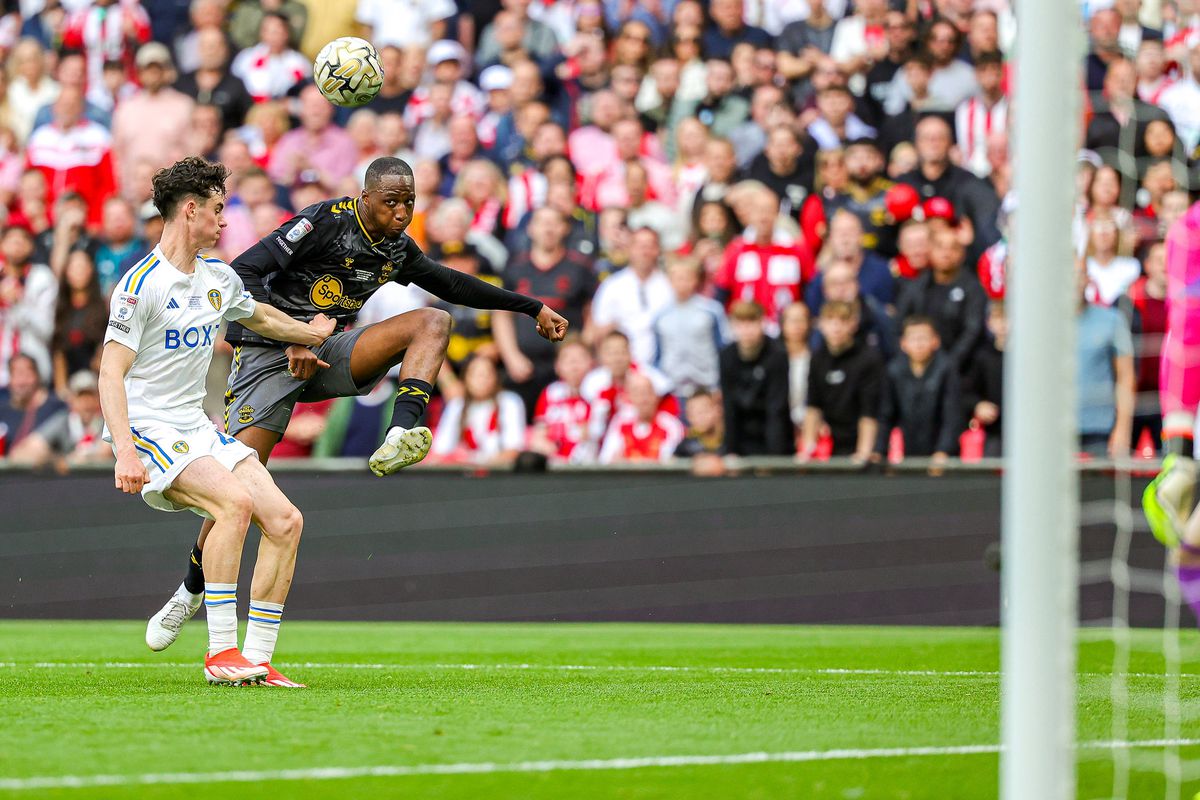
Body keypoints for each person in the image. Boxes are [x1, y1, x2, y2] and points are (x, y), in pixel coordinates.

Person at [146, 157, 568, 652]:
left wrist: (530, 306)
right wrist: (293, 338)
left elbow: (452, 284)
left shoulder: (395, 249)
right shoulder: (323, 222)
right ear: (365, 198)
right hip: (267, 354)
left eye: (409, 202)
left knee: (433, 323)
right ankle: (190, 589)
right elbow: (243, 273)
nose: (401, 212)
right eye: (391, 202)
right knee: (238, 488)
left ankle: (402, 431)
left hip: (326, 352)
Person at [98, 156, 337, 687]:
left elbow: (259, 316)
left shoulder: (219, 278)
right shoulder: (140, 286)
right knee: (234, 504)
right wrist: (123, 449)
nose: (224, 221)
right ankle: (220, 652)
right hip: (151, 427)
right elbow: (110, 373)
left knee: (285, 520)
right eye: (217, 209)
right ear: (190, 211)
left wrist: (310, 333)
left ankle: (257, 658)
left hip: (197, 427)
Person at [874, 316, 962, 469]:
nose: (919, 344)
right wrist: (879, 451)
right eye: (913, 339)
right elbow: (886, 415)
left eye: (924, 338)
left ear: (936, 341)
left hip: (943, 456)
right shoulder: (894, 371)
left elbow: (952, 415)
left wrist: (943, 450)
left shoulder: (947, 369)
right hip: (910, 453)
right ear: (903, 343)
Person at [800, 300, 883, 462]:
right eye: (830, 321)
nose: (836, 328)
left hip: (860, 438)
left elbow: (869, 412)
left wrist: (863, 453)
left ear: (854, 324)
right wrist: (808, 449)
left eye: (843, 321)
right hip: (832, 440)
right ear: (821, 325)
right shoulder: (817, 358)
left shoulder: (869, 359)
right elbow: (813, 407)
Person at [719, 300, 792, 456]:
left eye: (752, 322)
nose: (746, 330)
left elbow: (777, 409)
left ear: (762, 323)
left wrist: (775, 457)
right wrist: (731, 450)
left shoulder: (777, 355)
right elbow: (729, 407)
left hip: (774, 435)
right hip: (743, 437)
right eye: (741, 324)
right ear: (733, 326)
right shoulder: (726, 356)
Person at [652, 256, 730, 396]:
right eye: (677, 278)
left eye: (686, 278)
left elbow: (722, 347)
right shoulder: (660, 316)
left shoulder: (711, 310)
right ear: (669, 280)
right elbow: (658, 353)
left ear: (695, 280)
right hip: (673, 387)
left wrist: (720, 383)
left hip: (707, 386)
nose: (682, 283)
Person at [430, 354, 527, 466]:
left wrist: (479, 463)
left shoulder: (509, 402)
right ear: (465, 379)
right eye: (476, 375)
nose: (482, 379)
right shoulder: (457, 405)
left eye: (487, 374)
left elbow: (513, 450)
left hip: (499, 472)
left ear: (496, 377)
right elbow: (440, 450)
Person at [529, 338, 596, 464]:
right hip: (555, 466)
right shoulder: (550, 393)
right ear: (557, 366)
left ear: (592, 363)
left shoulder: (599, 394)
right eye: (567, 359)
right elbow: (538, 437)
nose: (573, 364)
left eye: (579, 358)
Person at [598, 371, 686, 464]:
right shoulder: (621, 421)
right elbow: (606, 459)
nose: (644, 399)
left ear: (656, 396)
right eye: (637, 393)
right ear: (629, 397)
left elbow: (670, 460)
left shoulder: (670, 424)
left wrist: (628, 462)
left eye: (647, 392)